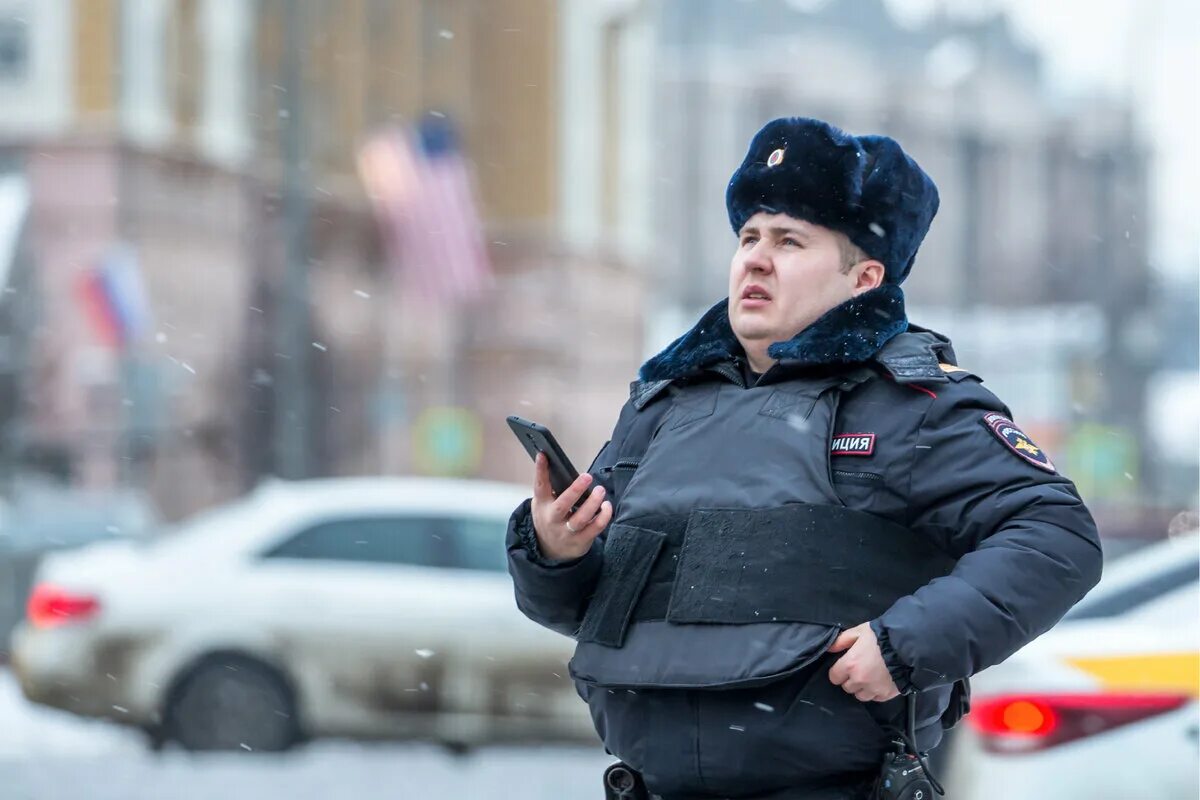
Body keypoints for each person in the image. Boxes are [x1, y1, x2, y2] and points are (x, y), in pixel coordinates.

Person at [505, 117, 1103, 800]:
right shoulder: (662, 408)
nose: (755, 259)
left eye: (790, 241)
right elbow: (591, 610)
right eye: (749, 238)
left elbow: (1057, 537)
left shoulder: (915, 406)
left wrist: (905, 646)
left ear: (864, 278)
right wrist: (555, 551)